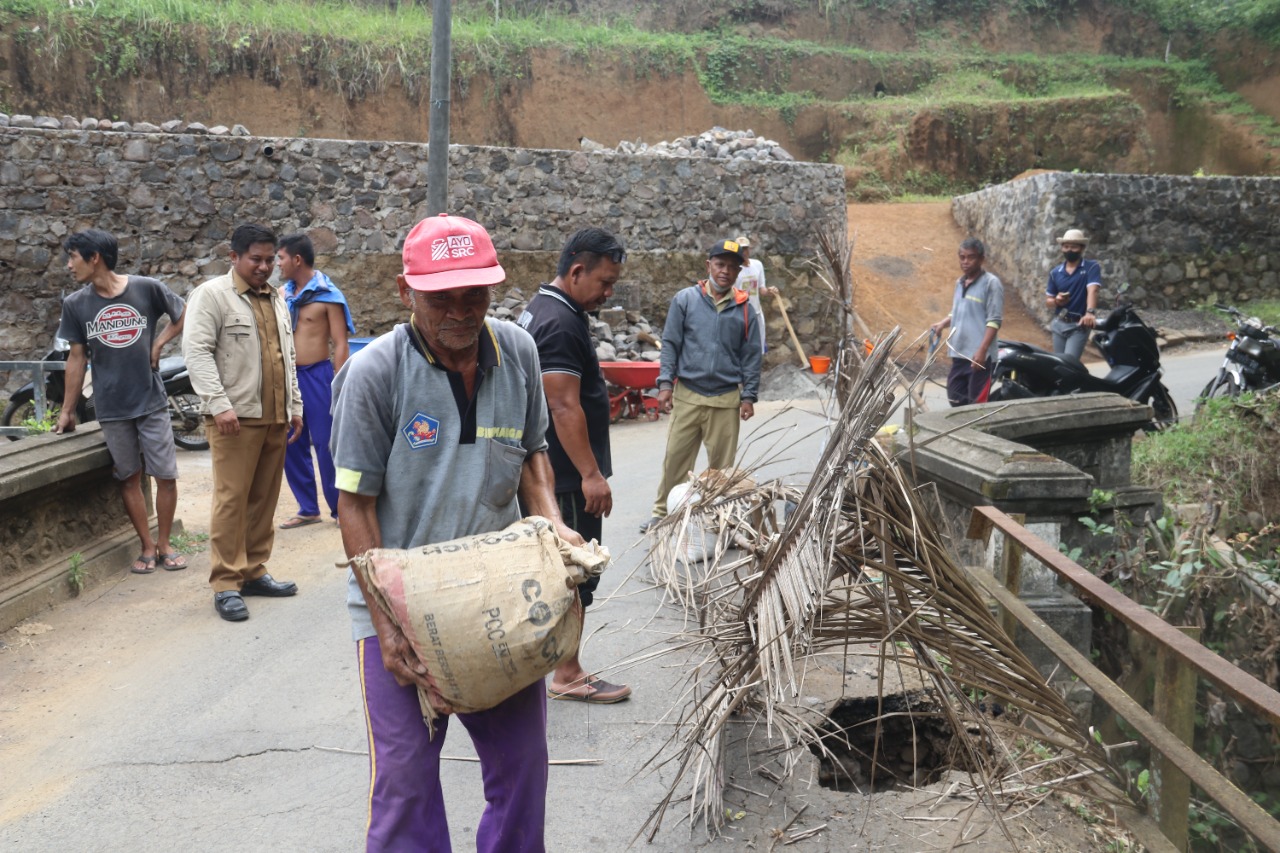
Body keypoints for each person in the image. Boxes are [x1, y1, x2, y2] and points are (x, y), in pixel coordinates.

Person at [330, 213, 585, 852]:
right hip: (402, 613)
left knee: (523, 770)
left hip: (497, 601)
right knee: (407, 784)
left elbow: (532, 460)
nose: (461, 310)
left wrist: (553, 530)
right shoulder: (374, 375)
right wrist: (387, 626)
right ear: (404, 290)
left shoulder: (518, 351)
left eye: (475, 293)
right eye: (441, 296)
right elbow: (353, 504)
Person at [516, 227, 632, 705]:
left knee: (549, 569)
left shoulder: (544, 308)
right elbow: (562, 406)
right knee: (572, 570)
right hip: (563, 475)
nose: (608, 293)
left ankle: (543, 666)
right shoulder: (560, 323)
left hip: (551, 470)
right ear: (577, 270)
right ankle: (568, 673)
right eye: (604, 282)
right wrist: (590, 474)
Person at [183, 224, 303, 623]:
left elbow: (286, 356)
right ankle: (226, 582)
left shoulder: (277, 298)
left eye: (271, 259)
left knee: (264, 498)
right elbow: (197, 352)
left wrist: (295, 405)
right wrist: (218, 405)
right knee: (232, 499)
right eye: (256, 259)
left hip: (274, 416)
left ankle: (253, 570)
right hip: (234, 418)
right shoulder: (212, 296)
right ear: (233, 257)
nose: (265, 267)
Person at [53, 228, 189, 574]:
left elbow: (183, 313)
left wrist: (157, 345)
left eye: (73, 257)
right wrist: (68, 411)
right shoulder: (76, 304)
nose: (69, 264)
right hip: (111, 407)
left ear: (94, 258)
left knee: (166, 475)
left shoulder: (146, 288)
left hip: (151, 399)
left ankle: (165, 544)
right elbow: (76, 359)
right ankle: (146, 547)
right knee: (129, 477)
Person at [642, 239, 762, 532]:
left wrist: (749, 396)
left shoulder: (746, 309)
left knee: (721, 470)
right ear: (708, 266)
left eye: (732, 267)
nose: (725, 272)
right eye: (720, 265)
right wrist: (665, 384)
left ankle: (715, 520)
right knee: (676, 459)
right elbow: (670, 343)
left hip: (725, 399)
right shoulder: (685, 300)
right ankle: (663, 513)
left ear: (738, 273)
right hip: (688, 396)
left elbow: (751, 356)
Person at [275, 232, 354, 530]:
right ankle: (307, 508)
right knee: (290, 441)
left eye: (280, 258)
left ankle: (340, 509)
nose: (277, 264)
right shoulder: (282, 296)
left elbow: (340, 343)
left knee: (325, 443)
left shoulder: (328, 296)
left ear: (296, 259)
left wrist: (340, 382)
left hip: (319, 376)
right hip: (288, 378)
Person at [929, 238, 1004, 408]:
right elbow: (957, 311)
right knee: (955, 399)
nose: (965, 262)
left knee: (975, 407)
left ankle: (977, 433)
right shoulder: (960, 282)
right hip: (959, 353)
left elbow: (994, 320)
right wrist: (942, 324)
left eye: (971, 257)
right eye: (962, 257)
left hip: (979, 358)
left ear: (981, 259)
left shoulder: (991, 284)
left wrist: (982, 350)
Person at [1045, 228, 1103, 360]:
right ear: (1062, 248)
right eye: (1066, 247)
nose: (1069, 250)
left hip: (1079, 325)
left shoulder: (1091, 267)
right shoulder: (1055, 272)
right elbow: (1048, 300)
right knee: (1059, 364)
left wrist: (1090, 313)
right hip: (1059, 322)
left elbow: (1093, 290)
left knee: (1069, 363)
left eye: (1074, 247)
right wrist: (1057, 301)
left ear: (1082, 249)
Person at [734, 235, 778, 353]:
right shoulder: (733, 268)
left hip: (756, 312)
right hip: (740, 313)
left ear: (749, 250)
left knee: (758, 345)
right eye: (740, 249)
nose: (743, 252)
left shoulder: (757, 265)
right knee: (741, 346)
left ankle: (756, 369)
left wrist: (769, 291)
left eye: (745, 249)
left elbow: (761, 290)